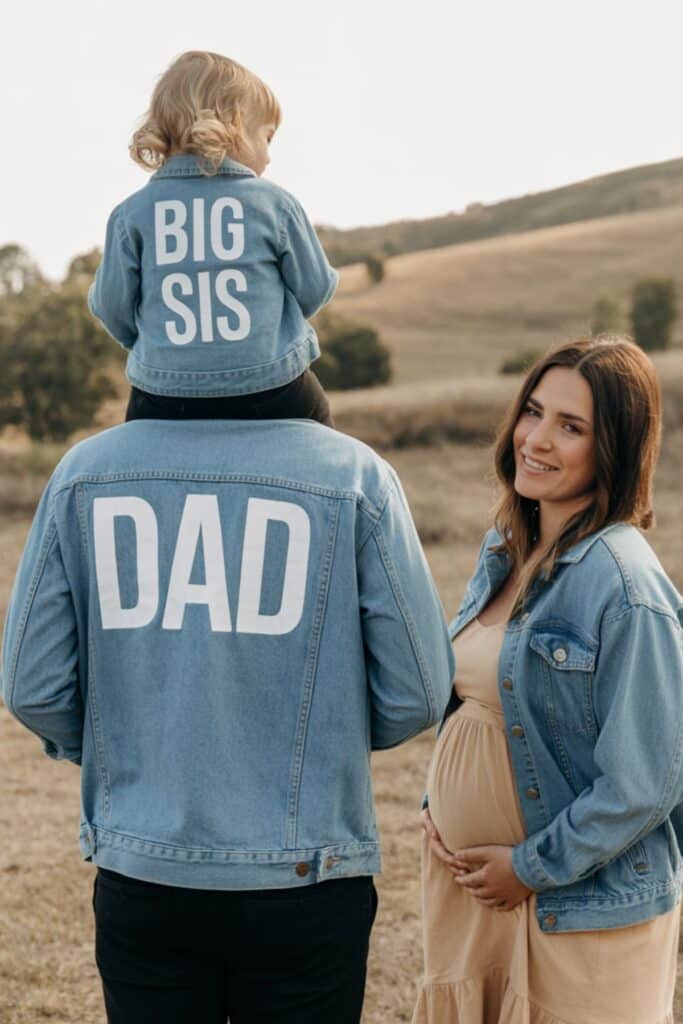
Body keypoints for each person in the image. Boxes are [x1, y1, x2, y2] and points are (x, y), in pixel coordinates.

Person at [0, 409, 454, 1023]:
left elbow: (32, 687)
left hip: (146, 865)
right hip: (307, 872)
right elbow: (417, 693)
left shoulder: (84, 473)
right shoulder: (354, 476)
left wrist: (130, 748)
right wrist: (319, 739)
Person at [413, 335, 683, 1023]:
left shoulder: (625, 587)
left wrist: (529, 866)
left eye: (570, 426)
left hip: (573, 909)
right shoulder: (505, 548)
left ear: (614, 447)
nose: (535, 439)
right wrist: (436, 807)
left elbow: (646, 780)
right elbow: (480, 703)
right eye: (533, 412)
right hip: (477, 898)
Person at [89, 50, 338, 425]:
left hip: (165, 395)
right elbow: (315, 288)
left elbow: (111, 306)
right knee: (320, 425)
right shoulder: (276, 204)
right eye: (268, 138)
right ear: (236, 124)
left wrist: (146, 345)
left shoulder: (130, 214)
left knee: (138, 432)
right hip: (271, 387)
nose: (269, 157)